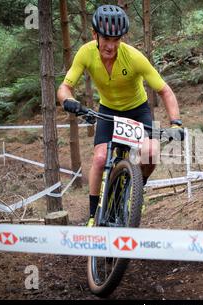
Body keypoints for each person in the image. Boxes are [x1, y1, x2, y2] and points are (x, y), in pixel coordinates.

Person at [57, 4, 182, 226]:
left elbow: (165, 91)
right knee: (99, 158)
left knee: (151, 152)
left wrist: (176, 123)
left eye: (117, 40)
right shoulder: (85, 53)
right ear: (95, 35)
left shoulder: (134, 57)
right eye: (106, 38)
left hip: (138, 110)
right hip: (109, 111)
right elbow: (64, 87)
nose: (111, 46)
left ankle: (136, 191)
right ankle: (94, 214)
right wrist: (70, 102)